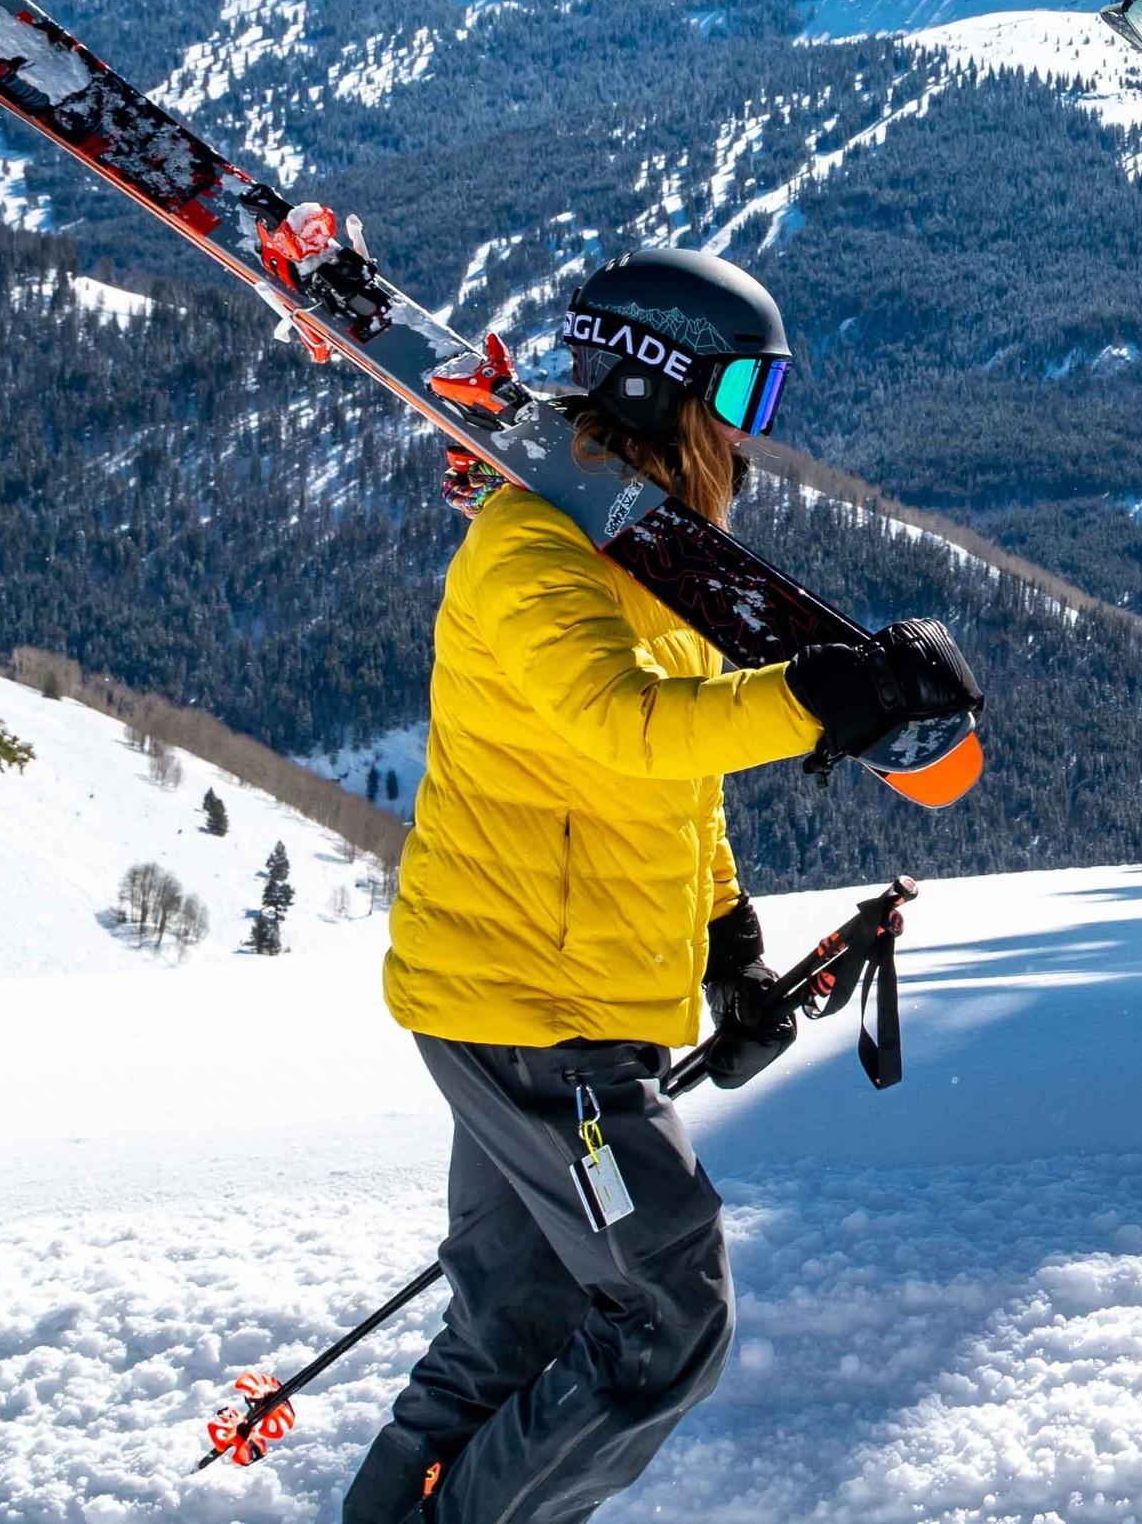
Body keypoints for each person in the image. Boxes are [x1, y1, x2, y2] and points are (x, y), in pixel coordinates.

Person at [346, 248, 981, 1524]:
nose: (749, 442)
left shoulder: (641, 562)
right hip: (536, 1021)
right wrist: (820, 698)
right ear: (657, 389)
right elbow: (629, 724)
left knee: (516, 1321)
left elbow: (671, 785)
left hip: (555, 1004)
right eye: (740, 400)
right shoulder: (531, 554)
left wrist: (728, 949)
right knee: (667, 1314)